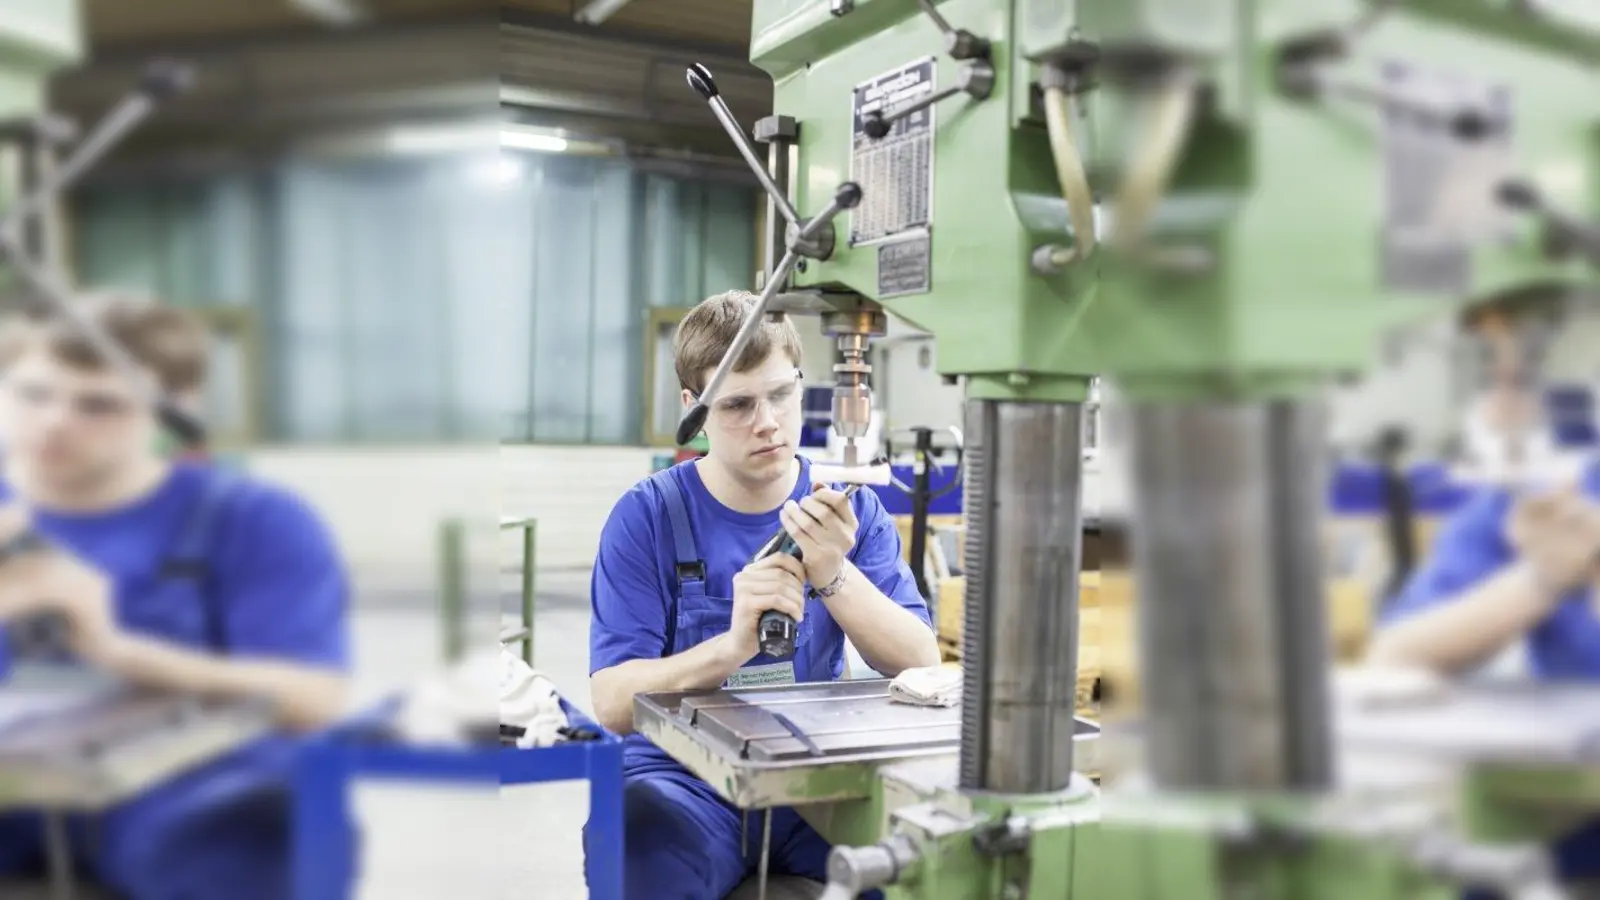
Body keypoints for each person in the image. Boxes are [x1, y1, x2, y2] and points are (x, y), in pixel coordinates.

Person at [586, 291, 941, 900]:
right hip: (686, 782)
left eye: (781, 394)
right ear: (693, 409)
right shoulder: (646, 517)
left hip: (817, 779)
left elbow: (921, 661)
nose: (768, 422)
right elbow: (614, 702)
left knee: (928, 861)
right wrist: (729, 649)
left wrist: (832, 573)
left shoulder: (851, 512)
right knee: (631, 844)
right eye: (738, 405)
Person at [0, 297, 352, 899]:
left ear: (172, 410)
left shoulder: (252, 521)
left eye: (99, 405)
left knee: (245, 840)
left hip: (176, 790)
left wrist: (118, 650)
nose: (55, 422)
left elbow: (314, 699)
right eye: (33, 394)